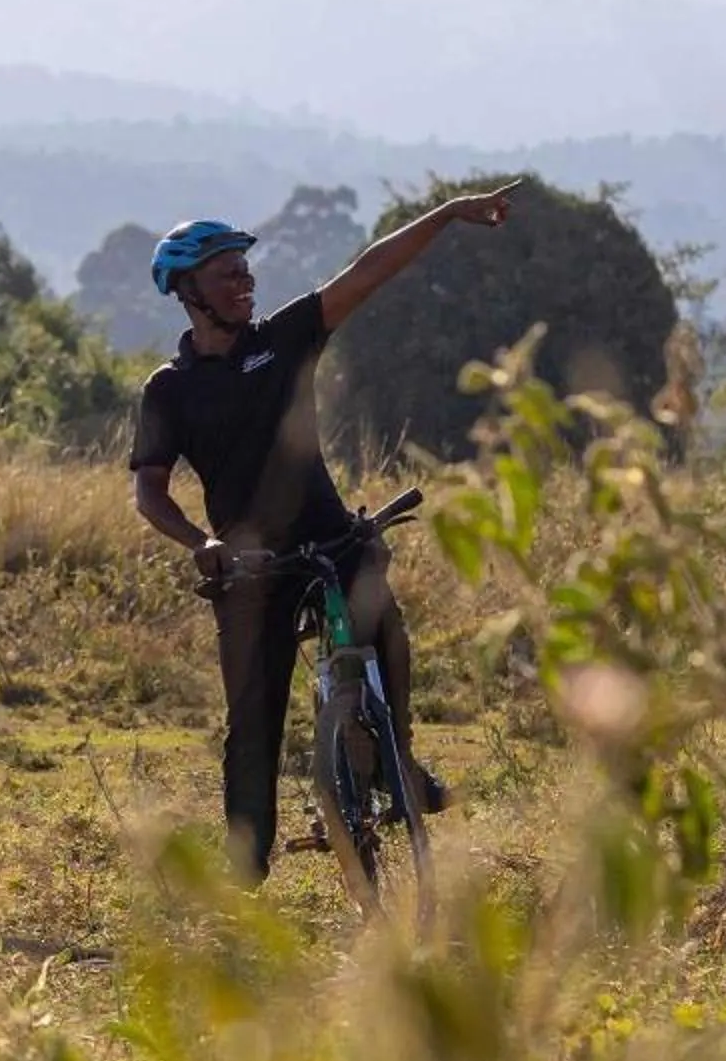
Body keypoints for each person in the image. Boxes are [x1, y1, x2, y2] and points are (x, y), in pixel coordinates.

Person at [127, 187, 517, 882]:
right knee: (253, 723)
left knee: (388, 634)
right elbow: (149, 492)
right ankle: (246, 869)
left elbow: (369, 270)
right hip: (249, 566)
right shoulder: (169, 390)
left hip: (329, 538)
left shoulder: (284, 339)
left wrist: (450, 210)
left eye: (247, 273)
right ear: (188, 292)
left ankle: (397, 761)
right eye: (227, 276)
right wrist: (201, 545)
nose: (245, 285)